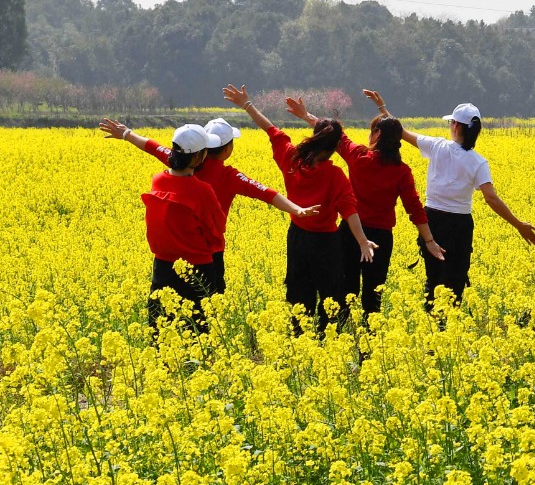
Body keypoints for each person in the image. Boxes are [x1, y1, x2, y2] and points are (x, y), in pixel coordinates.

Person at [223, 84, 378, 334]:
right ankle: (326, 341)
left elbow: (271, 130)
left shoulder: (292, 158)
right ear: (334, 147)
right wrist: (362, 241)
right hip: (327, 243)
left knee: (298, 292)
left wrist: (247, 104)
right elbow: (349, 210)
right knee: (331, 295)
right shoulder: (335, 175)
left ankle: (300, 338)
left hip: (297, 239)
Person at [100, 116, 318, 290]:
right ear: (226, 149)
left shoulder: (180, 160)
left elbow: (152, 146)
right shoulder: (228, 176)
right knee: (205, 309)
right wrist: (297, 209)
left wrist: (126, 133)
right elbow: (266, 192)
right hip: (206, 254)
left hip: (168, 256)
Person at [285, 90, 447, 315]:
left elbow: (333, 135)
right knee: (373, 296)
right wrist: (428, 240)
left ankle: (341, 335)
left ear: (377, 134)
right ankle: (368, 343)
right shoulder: (402, 172)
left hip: (350, 232)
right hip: (381, 238)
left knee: (345, 290)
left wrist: (306, 115)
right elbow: (415, 209)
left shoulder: (358, 157)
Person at [379, 98, 535, 310]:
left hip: (431, 221)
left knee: (434, 277)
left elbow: (400, 131)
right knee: (454, 280)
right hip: (459, 225)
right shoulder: (478, 162)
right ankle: (447, 326)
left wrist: (382, 108)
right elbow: (491, 198)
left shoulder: (436, 146)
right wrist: (518, 224)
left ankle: (432, 328)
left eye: (450, 122)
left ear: (456, 125)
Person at [140, 124, 226, 333]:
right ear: (198, 158)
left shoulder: (158, 180)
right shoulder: (201, 190)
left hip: (162, 267)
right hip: (197, 269)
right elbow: (217, 226)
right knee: (197, 330)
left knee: (162, 328)